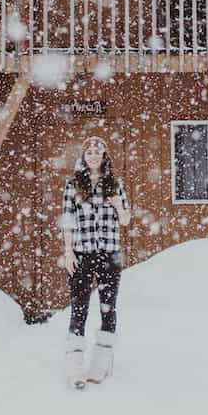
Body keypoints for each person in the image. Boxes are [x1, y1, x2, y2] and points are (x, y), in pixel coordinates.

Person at [59, 134, 131, 388]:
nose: (92, 156)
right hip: (82, 254)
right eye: (88, 152)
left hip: (109, 254)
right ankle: (75, 368)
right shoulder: (73, 185)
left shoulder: (115, 184)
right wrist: (68, 252)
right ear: (84, 156)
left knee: (108, 308)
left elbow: (125, 220)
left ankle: (100, 365)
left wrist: (118, 205)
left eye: (97, 152)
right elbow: (67, 220)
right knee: (79, 309)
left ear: (103, 157)